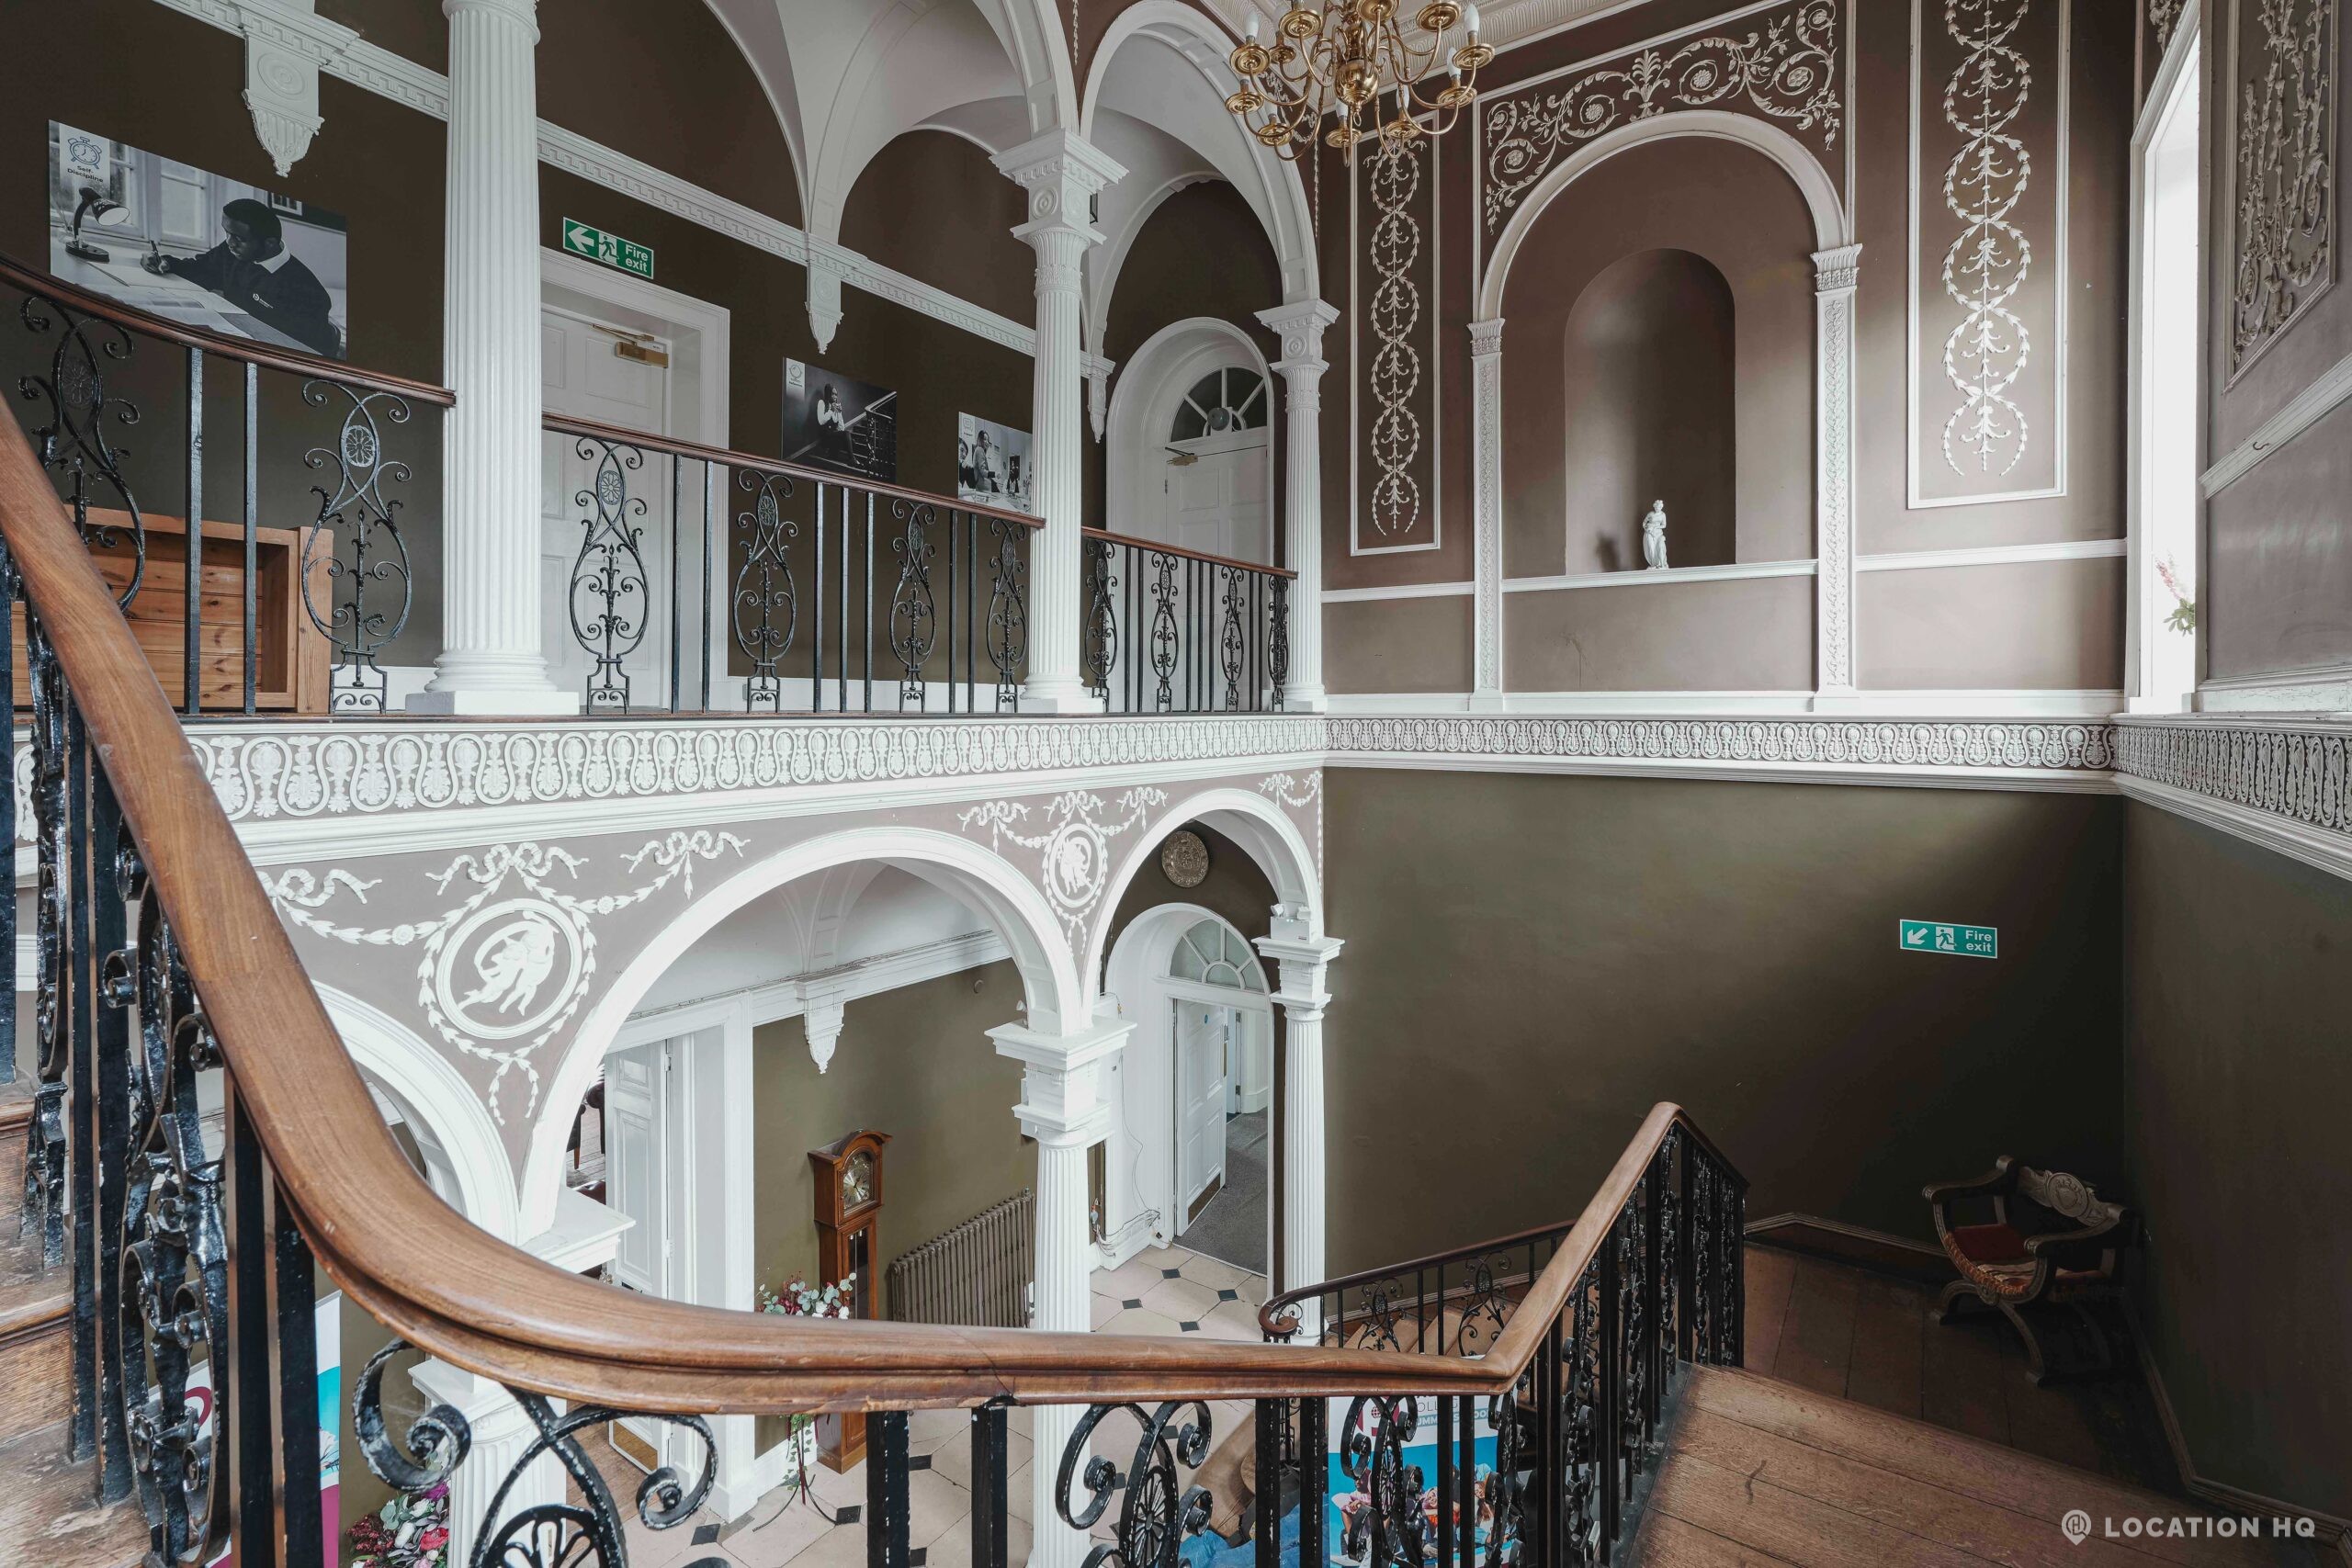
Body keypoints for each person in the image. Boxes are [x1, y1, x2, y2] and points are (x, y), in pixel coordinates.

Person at [142, 197, 342, 358]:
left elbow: (303, 351)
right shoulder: (233, 251)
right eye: (227, 233)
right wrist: (165, 262)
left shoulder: (308, 292)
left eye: (239, 238)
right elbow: (201, 269)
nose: (230, 243)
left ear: (270, 244)